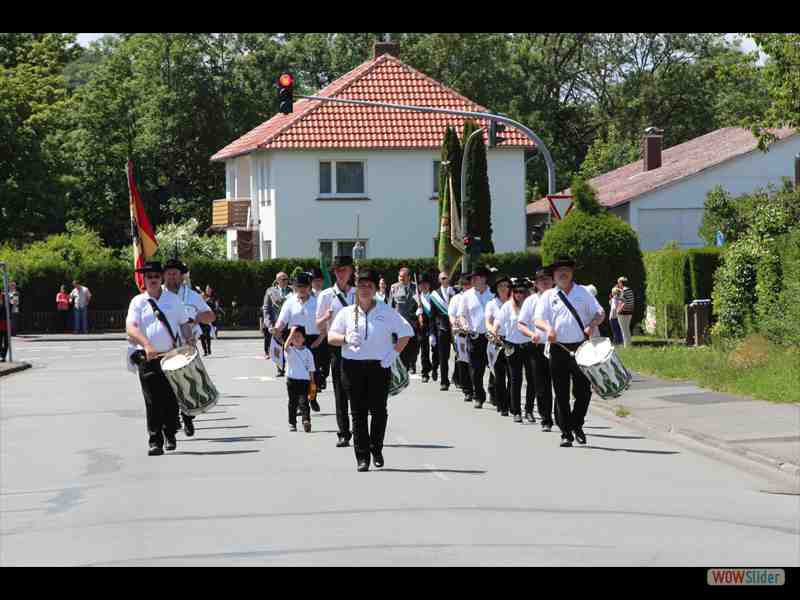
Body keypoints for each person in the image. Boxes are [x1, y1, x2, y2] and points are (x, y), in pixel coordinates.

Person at [328, 268, 413, 472]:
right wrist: (345, 339)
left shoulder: (385, 311)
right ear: (356, 288)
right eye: (361, 285)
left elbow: (406, 332)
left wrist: (392, 355)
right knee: (357, 413)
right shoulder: (347, 312)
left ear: (375, 289)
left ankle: (376, 448)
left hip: (378, 366)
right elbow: (331, 336)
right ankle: (362, 456)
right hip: (352, 367)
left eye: (369, 285)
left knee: (378, 411)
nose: (364, 289)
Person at [533, 256, 605, 447]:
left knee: (583, 392)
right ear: (554, 275)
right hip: (558, 348)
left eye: (566, 270)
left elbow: (600, 313)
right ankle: (566, 433)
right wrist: (548, 329)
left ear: (572, 273)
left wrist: (592, 325)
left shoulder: (583, 292)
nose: (562, 273)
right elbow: (538, 319)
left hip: (582, 347)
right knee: (561, 392)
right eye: (559, 271)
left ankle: (577, 423)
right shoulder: (548, 296)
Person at [125, 261, 189, 456]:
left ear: (161, 278)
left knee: (170, 399)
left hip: (171, 356)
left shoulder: (173, 300)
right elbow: (131, 328)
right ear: (144, 280)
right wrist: (147, 345)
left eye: (155, 277)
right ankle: (155, 441)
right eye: (149, 277)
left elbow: (184, 323)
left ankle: (170, 433)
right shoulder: (138, 302)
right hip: (147, 358)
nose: (152, 280)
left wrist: (191, 340)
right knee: (152, 401)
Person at [163, 258, 216, 436]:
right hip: (165, 347)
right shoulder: (158, 296)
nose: (171, 277)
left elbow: (211, 316)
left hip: (187, 346)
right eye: (169, 273)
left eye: (175, 273)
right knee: (168, 387)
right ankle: (173, 419)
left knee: (186, 383)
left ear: (181, 276)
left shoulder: (192, 296)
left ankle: (187, 417)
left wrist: (196, 319)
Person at [316, 256, 356, 447]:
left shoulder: (358, 293)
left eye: (345, 270)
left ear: (351, 272)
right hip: (336, 347)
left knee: (357, 392)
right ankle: (343, 432)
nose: (341, 273)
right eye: (338, 270)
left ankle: (359, 428)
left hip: (357, 347)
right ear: (334, 272)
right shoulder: (326, 295)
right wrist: (326, 317)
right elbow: (318, 324)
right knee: (340, 393)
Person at [273, 272, 323, 412]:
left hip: (314, 340)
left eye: (305, 286)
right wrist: (276, 329)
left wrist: (320, 339)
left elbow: (324, 323)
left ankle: (312, 396)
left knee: (315, 373)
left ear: (309, 287)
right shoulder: (290, 302)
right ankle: (303, 403)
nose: (302, 289)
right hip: (295, 340)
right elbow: (282, 320)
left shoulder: (317, 301)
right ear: (294, 287)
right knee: (299, 373)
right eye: (298, 286)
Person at [518, 267, 556, 431]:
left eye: (548, 279)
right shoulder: (531, 300)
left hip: (558, 346)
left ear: (553, 280)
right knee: (541, 384)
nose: (545, 282)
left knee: (559, 384)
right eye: (541, 280)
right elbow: (521, 323)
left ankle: (562, 417)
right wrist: (530, 334)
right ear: (536, 283)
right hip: (537, 347)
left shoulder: (560, 297)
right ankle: (546, 419)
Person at [457, 266, 495, 409]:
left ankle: (493, 392)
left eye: (476, 277)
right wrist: (464, 323)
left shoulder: (493, 293)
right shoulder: (467, 295)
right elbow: (461, 315)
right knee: (476, 369)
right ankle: (478, 395)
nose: (473, 280)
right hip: (474, 336)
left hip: (492, 337)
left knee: (494, 367)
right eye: (472, 278)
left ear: (484, 278)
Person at [486, 274, 512, 416]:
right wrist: (493, 332)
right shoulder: (492, 303)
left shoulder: (514, 302)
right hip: (496, 341)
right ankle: (502, 405)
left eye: (506, 286)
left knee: (513, 375)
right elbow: (488, 321)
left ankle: (510, 402)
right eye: (501, 286)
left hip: (512, 341)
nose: (504, 288)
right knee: (499, 375)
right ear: (496, 288)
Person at [283, 325, 316, 433]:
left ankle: (306, 420)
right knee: (292, 402)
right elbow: (285, 346)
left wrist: (312, 382)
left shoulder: (308, 352)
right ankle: (292, 423)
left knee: (304, 402)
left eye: (299, 336)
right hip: (291, 380)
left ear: (304, 339)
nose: (296, 338)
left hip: (304, 381)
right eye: (294, 337)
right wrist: (291, 333)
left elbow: (311, 368)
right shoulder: (290, 350)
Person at [429, 271, 455, 391]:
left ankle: (458, 377)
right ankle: (444, 381)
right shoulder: (435, 295)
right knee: (443, 356)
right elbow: (432, 316)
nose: (445, 280)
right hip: (442, 328)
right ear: (439, 280)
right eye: (443, 278)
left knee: (460, 355)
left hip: (455, 328)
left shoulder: (455, 292)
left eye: (447, 277)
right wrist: (432, 333)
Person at [390, 267, 419, 374]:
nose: (401, 278)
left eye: (403, 276)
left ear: (409, 277)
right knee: (400, 344)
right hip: (399, 322)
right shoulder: (394, 288)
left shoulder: (415, 287)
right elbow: (391, 305)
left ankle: (412, 363)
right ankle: (403, 365)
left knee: (413, 346)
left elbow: (420, 304)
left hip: (412, 321)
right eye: (400, 276)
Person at [449, 273, 473, 401]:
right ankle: (467, 389)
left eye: (469, 284)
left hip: (476, 334)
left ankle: (477, 387)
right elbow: (452, 315)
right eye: (465, 285)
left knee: (476, 363)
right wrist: (455, 324)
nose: (467, 287)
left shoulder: (476, 297)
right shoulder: (456, 299)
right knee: (463, 360)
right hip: (461, 334)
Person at [262, 273, 291, 375]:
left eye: (287, 279)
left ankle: (291, 367)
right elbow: (266, 309)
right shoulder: (270, 291)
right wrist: (269, 325)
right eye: (283, 279)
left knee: (290, 346)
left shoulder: (293, 290)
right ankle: (280, 368)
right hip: (276, 325)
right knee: (278, 347)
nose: (286, 281)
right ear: (277, 280)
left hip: (290, 324)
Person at [415, 272, 437, 383]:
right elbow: (410, 313)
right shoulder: (416, 298)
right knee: (424, 351)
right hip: (422, 327)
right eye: (421, 284)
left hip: (433, 326)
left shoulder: (434, 296)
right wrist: (417, 313)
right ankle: (425, 372)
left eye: (425, 284)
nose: (423, 286)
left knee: (435, 350)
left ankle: (434, 368)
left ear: (429, 285)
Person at [201, 285, 222, 355]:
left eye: (209, 289)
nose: (208, 290)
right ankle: (205, 351)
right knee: (202, 336)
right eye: (207, 289)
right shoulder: (202, 297)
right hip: (201, 318)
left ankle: (209, 349)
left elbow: (215, 307)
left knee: (207, 334)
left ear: (211, 290)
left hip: (209, 319)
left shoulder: (213, 299)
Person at [617, 277, 635, 348]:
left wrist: (619, 310)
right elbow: (630, 301)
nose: (618, 284)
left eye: (618, 283)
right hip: (629, 312)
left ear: (621, 283)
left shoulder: (623, 291)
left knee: (624, 330)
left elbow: (623, 301)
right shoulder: (630, 290)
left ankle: (626, 346)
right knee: (627, 329)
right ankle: (628, 345)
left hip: (623, 312)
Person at [0, 288, 8, 362]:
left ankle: (3, 356)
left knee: (6, 341)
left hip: (6, 323)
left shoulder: (6, 297)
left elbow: (13, 305)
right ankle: (2, 354)